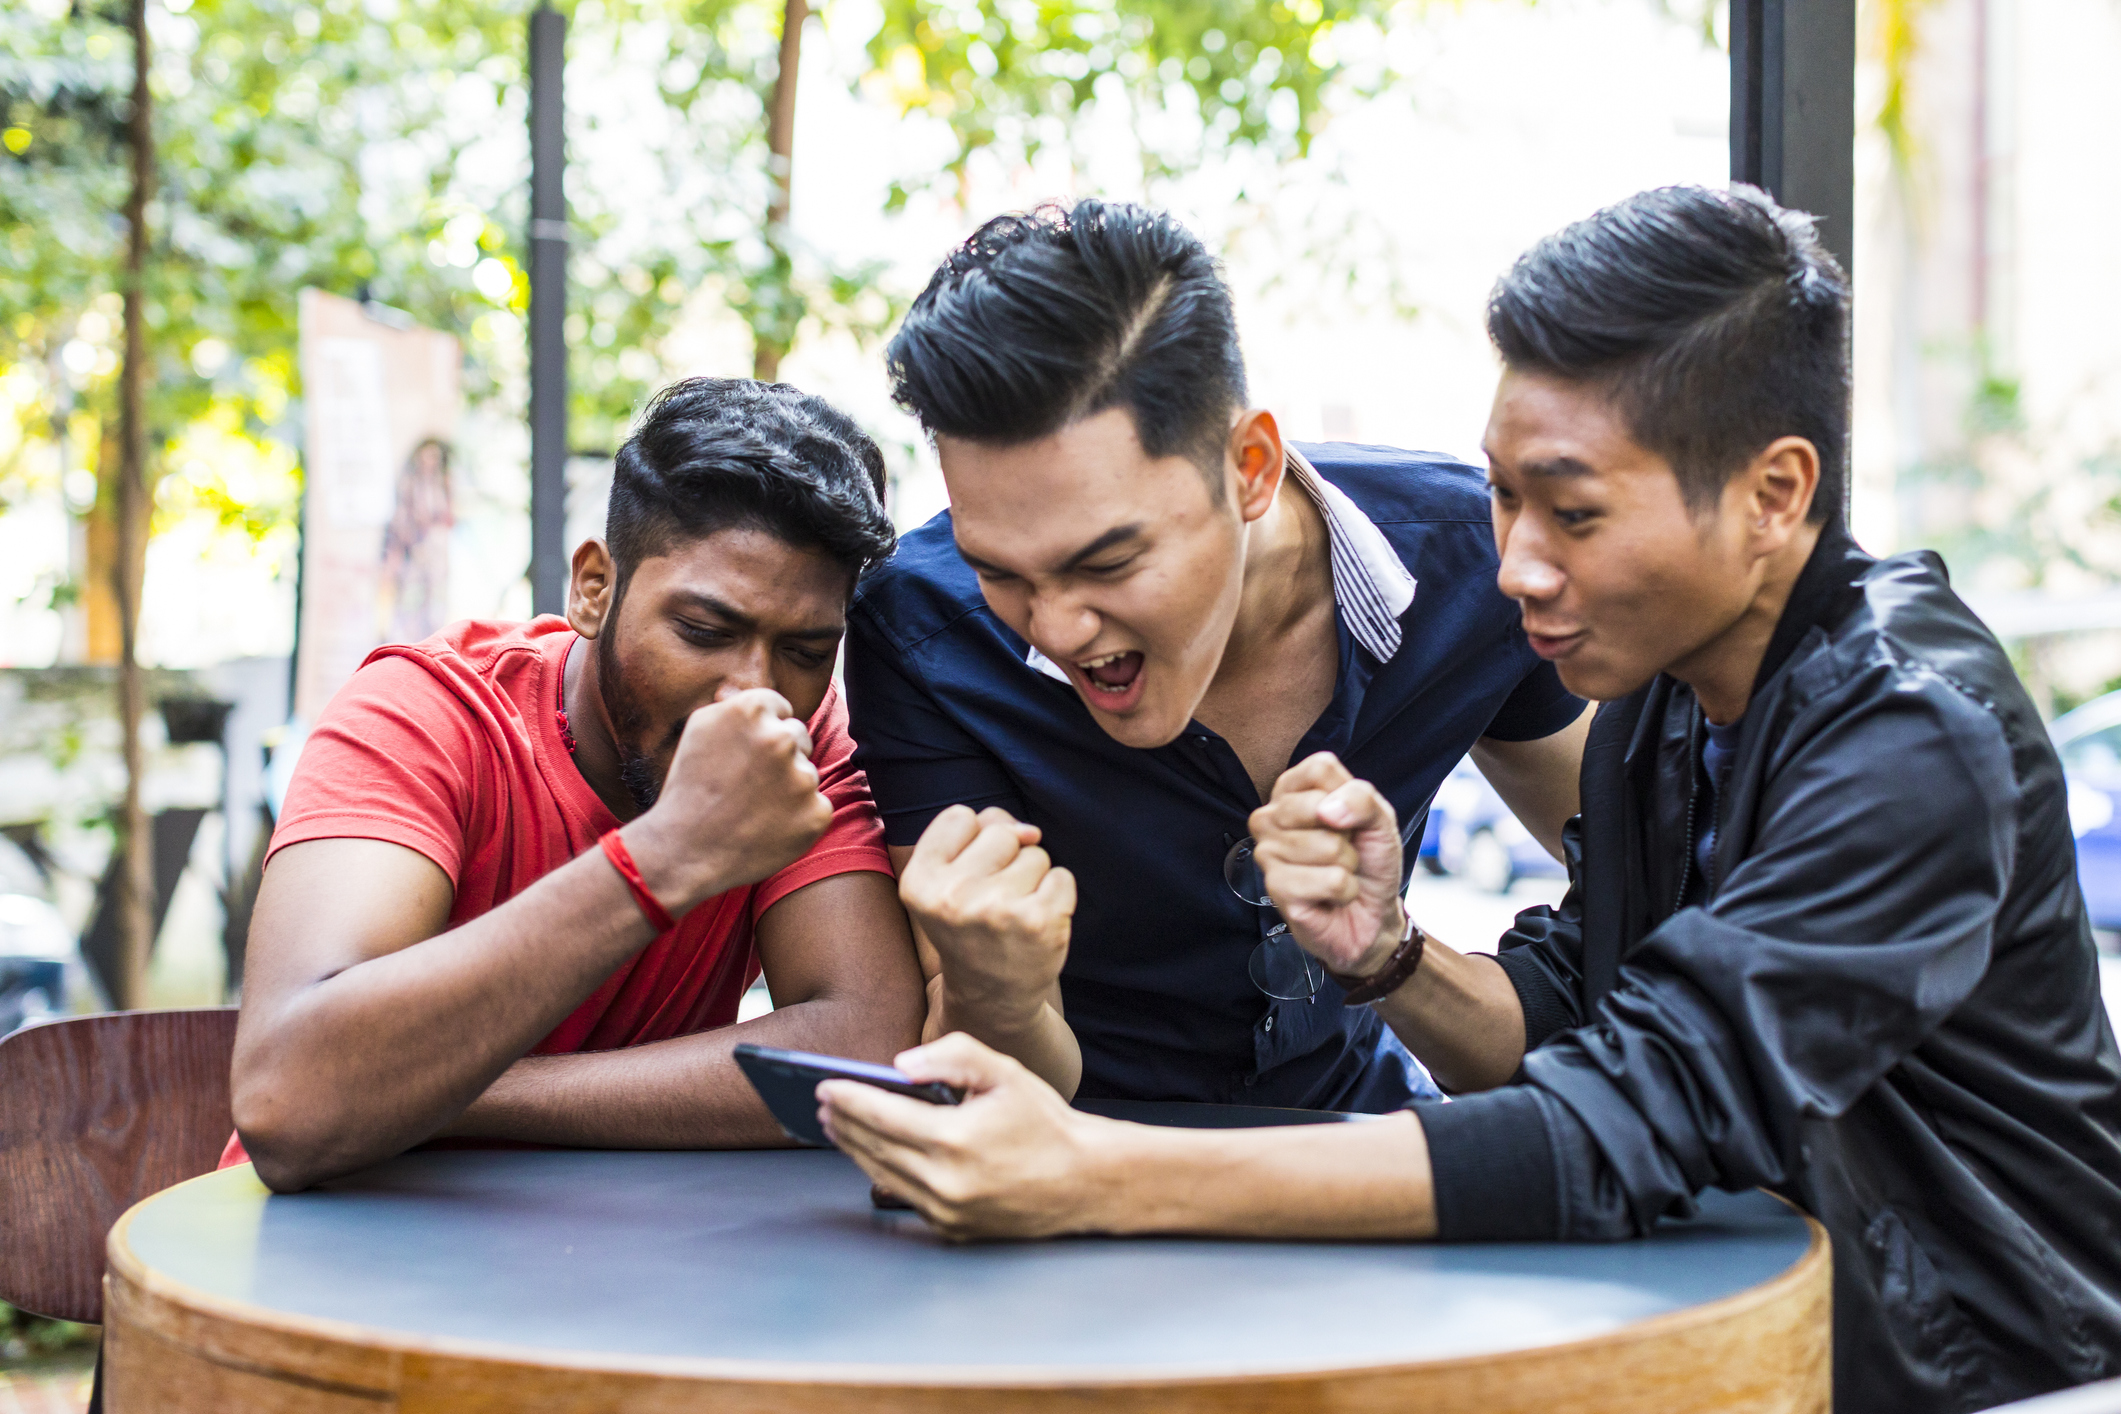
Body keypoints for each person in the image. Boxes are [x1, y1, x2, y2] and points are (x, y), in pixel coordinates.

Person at [818, 186, 2121, 1412]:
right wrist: (1388, 953)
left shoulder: (1909, 727)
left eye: (1571, 512)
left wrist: (1094, 1173)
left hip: (2000, 1376)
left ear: (1773, 494)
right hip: (1774, 1336)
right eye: (1501, 497)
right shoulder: (1667, 699)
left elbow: (1627, 1116)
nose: (1512, 565)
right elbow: (1582, 1006)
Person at [844, 200, 1590, 1113]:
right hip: (1080, 1177)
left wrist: (1397, 954)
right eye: (997, 571)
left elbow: (1645, 875)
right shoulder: (921, 630)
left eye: (1108, 562)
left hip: (1368, 1149)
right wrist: (991, 991)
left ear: (1251, 466)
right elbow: (992, 1088)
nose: (1055, 627)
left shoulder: (1470, 565)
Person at [229, 379, 926, 1193]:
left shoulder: (801, 742)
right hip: (324, 1263)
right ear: (593, 588)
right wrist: (667, 857)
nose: (754, 692)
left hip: (612, 1262)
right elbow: (289, 1104)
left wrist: (442, 1091)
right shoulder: (425, 713)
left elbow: (864, 1045)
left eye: (807, 651)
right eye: (703, 632)